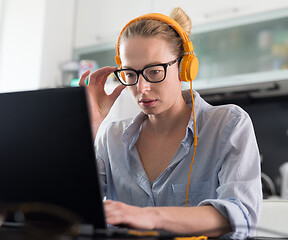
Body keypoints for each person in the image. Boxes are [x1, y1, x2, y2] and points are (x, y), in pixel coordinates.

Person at [79, 7, 262, 239]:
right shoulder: (111, 137)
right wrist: (90, 127)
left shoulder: (228, 125)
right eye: (131, 75)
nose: (141, 88)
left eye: (154, 72)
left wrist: (149, 216)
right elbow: (69, 209)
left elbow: (240, 214)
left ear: (184, 67)